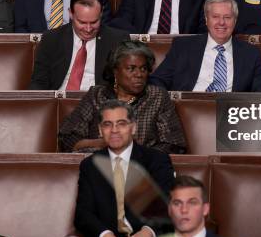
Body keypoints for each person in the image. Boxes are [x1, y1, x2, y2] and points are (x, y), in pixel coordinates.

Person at [75, 100, 175, 237]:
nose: (114, 130)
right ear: (100, 130)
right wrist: (105, 235)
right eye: (107, 124)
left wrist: (148, 231)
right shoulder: (90, 165)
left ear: (133, 127)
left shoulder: (157, 160)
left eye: (121, 123)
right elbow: (83, 213)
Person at [59, 40, 187, 154]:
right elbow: (68, 137)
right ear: (115, 71)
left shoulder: (157, 96)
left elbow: (173, 143)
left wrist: (135, 155)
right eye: (131, 69)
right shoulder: (97, 95)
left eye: (143, 69)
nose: (139, 74)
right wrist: (102, 145)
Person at [150, 0, 261, 92]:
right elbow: (158, 80)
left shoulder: (251, 54)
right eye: (215, 17)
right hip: (188, 111)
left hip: (231, 114)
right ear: (207, 20)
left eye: (227, 17)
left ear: (235, 21)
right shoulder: (183, 46)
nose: (221, 22)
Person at [29, 0, 130, 90]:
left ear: (101, 14)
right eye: (82, 22)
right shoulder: (52, 38)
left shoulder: (117, 40)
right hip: (59, 100)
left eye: (94, 22)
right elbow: (39, 82)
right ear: (71, 14)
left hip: (99, 102)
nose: (88, 29)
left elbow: (123, 85)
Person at [146, 175, 245, 237]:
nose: (184, 210)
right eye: (177, 203)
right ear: (169, 210)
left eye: (192, 203)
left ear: (205, 209)